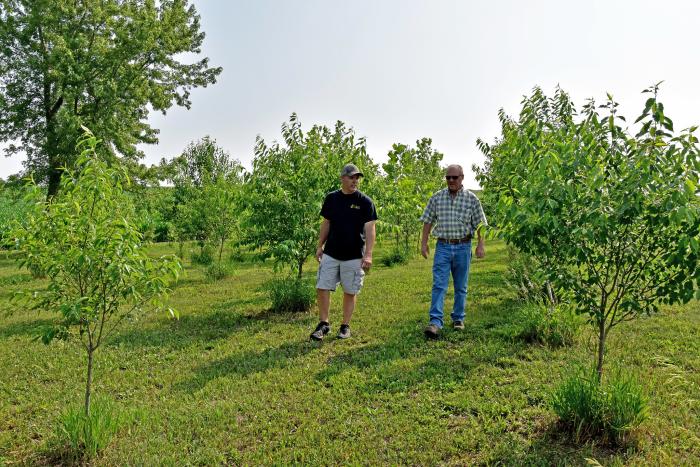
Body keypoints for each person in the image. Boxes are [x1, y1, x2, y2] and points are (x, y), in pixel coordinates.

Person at [310, 163, 377, 341]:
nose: (355, 181)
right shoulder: (331, 198)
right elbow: (326, 223)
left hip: (354, 255)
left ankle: (345, 326)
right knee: (322, 287)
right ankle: (324, 324)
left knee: (350, 290)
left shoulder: (365, 202)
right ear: (342, 178)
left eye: (357, 178)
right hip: (331, 253)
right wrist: (320, 245)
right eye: (351, 177)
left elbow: (370, 229)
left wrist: (368, 254)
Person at [420, 164, 487, 339]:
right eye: (448, 177)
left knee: (461, 286)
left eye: (454, 178)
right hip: (443, 246)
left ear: (462, 178)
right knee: (439, 285)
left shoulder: (472, 199)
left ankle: (458, 318)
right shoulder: (437, 198)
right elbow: (427, 220)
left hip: (463, 247)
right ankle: (435, 322)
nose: (450, 181)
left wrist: (481, 244)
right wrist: (424, 243)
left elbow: (480, 223)